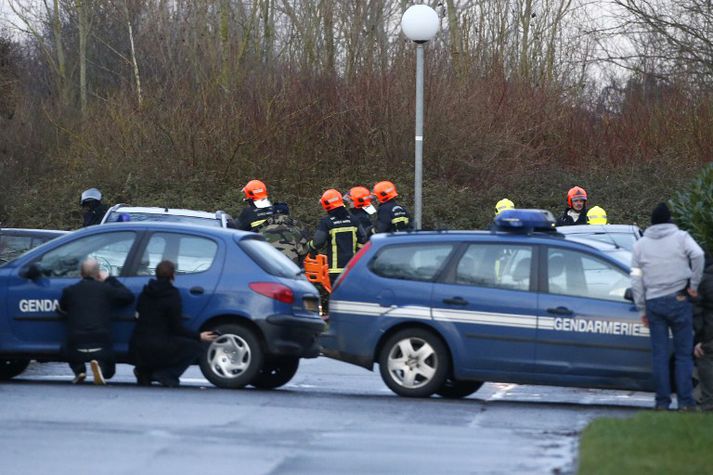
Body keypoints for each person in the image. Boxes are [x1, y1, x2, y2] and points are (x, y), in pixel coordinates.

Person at [631, 202, 705, 411]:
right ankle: (685, 403)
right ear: (669, 220)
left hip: (654, 303)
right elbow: (698, 255)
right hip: (679, 300)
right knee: (683, 355)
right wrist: (694, 285)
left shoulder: (640, 245)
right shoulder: (681, 237)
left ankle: (661, 402)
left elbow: (636, 279)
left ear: (652, 223)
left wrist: (642, 309)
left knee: (660, 356)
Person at [129, 260, 217, 387]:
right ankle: (167, 374)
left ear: (156, 274)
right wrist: (199, 336)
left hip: (137, 345)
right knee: (195, 347)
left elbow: (137, 315)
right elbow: (176, 328)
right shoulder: (172, 295)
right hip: (158, 346)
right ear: (173, 276)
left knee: (153, 343)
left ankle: (144, 372)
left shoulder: (146, 292)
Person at [57, 258, 134, 385]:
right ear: (98, 274)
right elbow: (128, 296)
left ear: (81, 274)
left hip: (76, 343)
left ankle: (79, 370)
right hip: (102, 342)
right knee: (109, 372)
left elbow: (62, 308)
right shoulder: (106, 289)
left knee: (65, 346)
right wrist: (110, 279)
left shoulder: (70, 291)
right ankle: (102, 371)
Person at [307, 189, 368, 284]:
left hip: (336, 271)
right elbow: (364, 239)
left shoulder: (327, 222)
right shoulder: (353, 219)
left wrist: (310, 246)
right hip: (353, 268)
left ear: (326, 205)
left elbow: (318, 242)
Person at [694, 253, 713, 411]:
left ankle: (708, 403)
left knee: (705, 358)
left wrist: (700, 340)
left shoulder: (706, 280)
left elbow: (698, 312)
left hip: (709, 333)